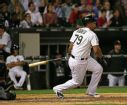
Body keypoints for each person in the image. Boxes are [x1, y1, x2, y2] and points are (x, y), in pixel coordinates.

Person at [53, 14, 105, 99]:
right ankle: (58, 89)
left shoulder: (77, 31)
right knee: (76, 82)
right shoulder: (92, 34)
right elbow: (96, 50)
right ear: (88, 23)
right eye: (93, 22)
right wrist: (101, 57)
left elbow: (70, 46)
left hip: (83, 59)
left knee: (98, 69)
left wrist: (68, 54)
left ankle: (91, 91)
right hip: (78, 62)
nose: (95, 23)